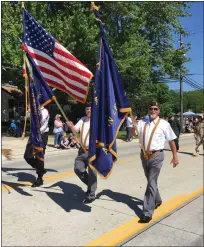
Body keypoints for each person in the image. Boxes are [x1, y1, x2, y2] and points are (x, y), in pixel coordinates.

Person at [132, 101, 179, 223]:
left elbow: (171, 141)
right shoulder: (142, 123)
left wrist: (175, 156)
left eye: (155, 109)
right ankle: (157, 200)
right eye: (151, 109)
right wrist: (133, 126)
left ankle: (147, 212)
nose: (153, 111)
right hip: (144, 155)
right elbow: (133, 134)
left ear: (159, 111)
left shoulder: (164, 124)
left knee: (151, 182)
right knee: (150, 181)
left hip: (157, 156)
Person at [66, 103, 97, 204]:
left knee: (92, 173)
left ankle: (91, 194)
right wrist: (71, 126)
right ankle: (90, 185)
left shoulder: (97, 120)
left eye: (90, 109)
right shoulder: (83, 120)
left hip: (93, 150)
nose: (88, 111)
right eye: (87, 109)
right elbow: (76, 130)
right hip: (82, 150)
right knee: (78, 168)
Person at [24, 105, 50, 187]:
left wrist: (32, 112)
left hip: (42, 135)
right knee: (27, 156)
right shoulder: (34, 110)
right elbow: (27, 118)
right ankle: (41, 169)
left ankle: (39, 178)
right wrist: (29, 112)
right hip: (33, 135)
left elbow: (40, 122)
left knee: (39, 157)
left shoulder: (44, 111)